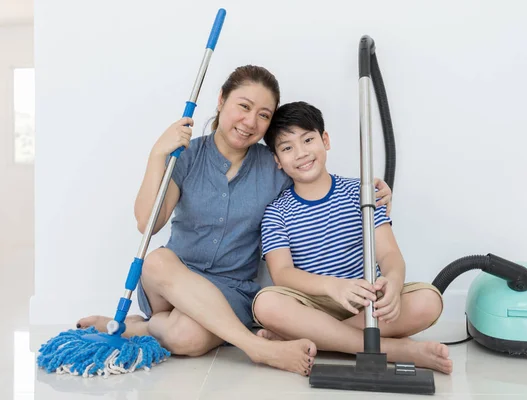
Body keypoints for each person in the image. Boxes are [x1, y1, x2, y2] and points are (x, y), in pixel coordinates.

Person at [77, 65, 393, 376]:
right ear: (221, 100)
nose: (250, 122)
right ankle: (256, 348)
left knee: (186, 337)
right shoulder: (187, 155)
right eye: (244, 106)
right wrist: (157, 154)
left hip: (232, 292)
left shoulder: (274, 166)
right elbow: (147, 223)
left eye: (264, 115)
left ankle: (138, 327)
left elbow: (314, 186)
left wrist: (371, 190)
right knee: (157, 259)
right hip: (171, 282)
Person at [251, 101, 453, 374]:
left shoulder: (362, 192)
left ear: (325, 140)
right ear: (277, 160)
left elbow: (389, 254)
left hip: (364, 301)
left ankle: (314, 339)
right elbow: (282, 273)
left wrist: (393, 282)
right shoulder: (277, 212)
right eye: (287, 148)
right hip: (312, 303)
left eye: (308, 140)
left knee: (430, 300)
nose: (300, 153)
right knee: (266, 304)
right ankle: (397, 350)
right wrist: (333, 287)